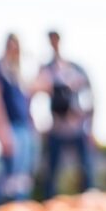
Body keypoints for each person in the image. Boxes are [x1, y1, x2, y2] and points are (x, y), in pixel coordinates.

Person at [36, 30, 95, 198]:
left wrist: (89, 123)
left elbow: (90, 95)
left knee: (85, 171)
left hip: (76, 127)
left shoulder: (75, 68)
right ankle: (49, 203)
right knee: (52, 173)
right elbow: (35, 94)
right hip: (57, 128)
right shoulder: (46, 69)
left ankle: (89, 202)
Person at [0, 34, 36, 206]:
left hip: (24, 127)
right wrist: (2, 128)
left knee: (21, 177)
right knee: (7, 174)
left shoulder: (17, 72)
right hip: (10, 127)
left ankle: (17, 210)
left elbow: (26, 102)